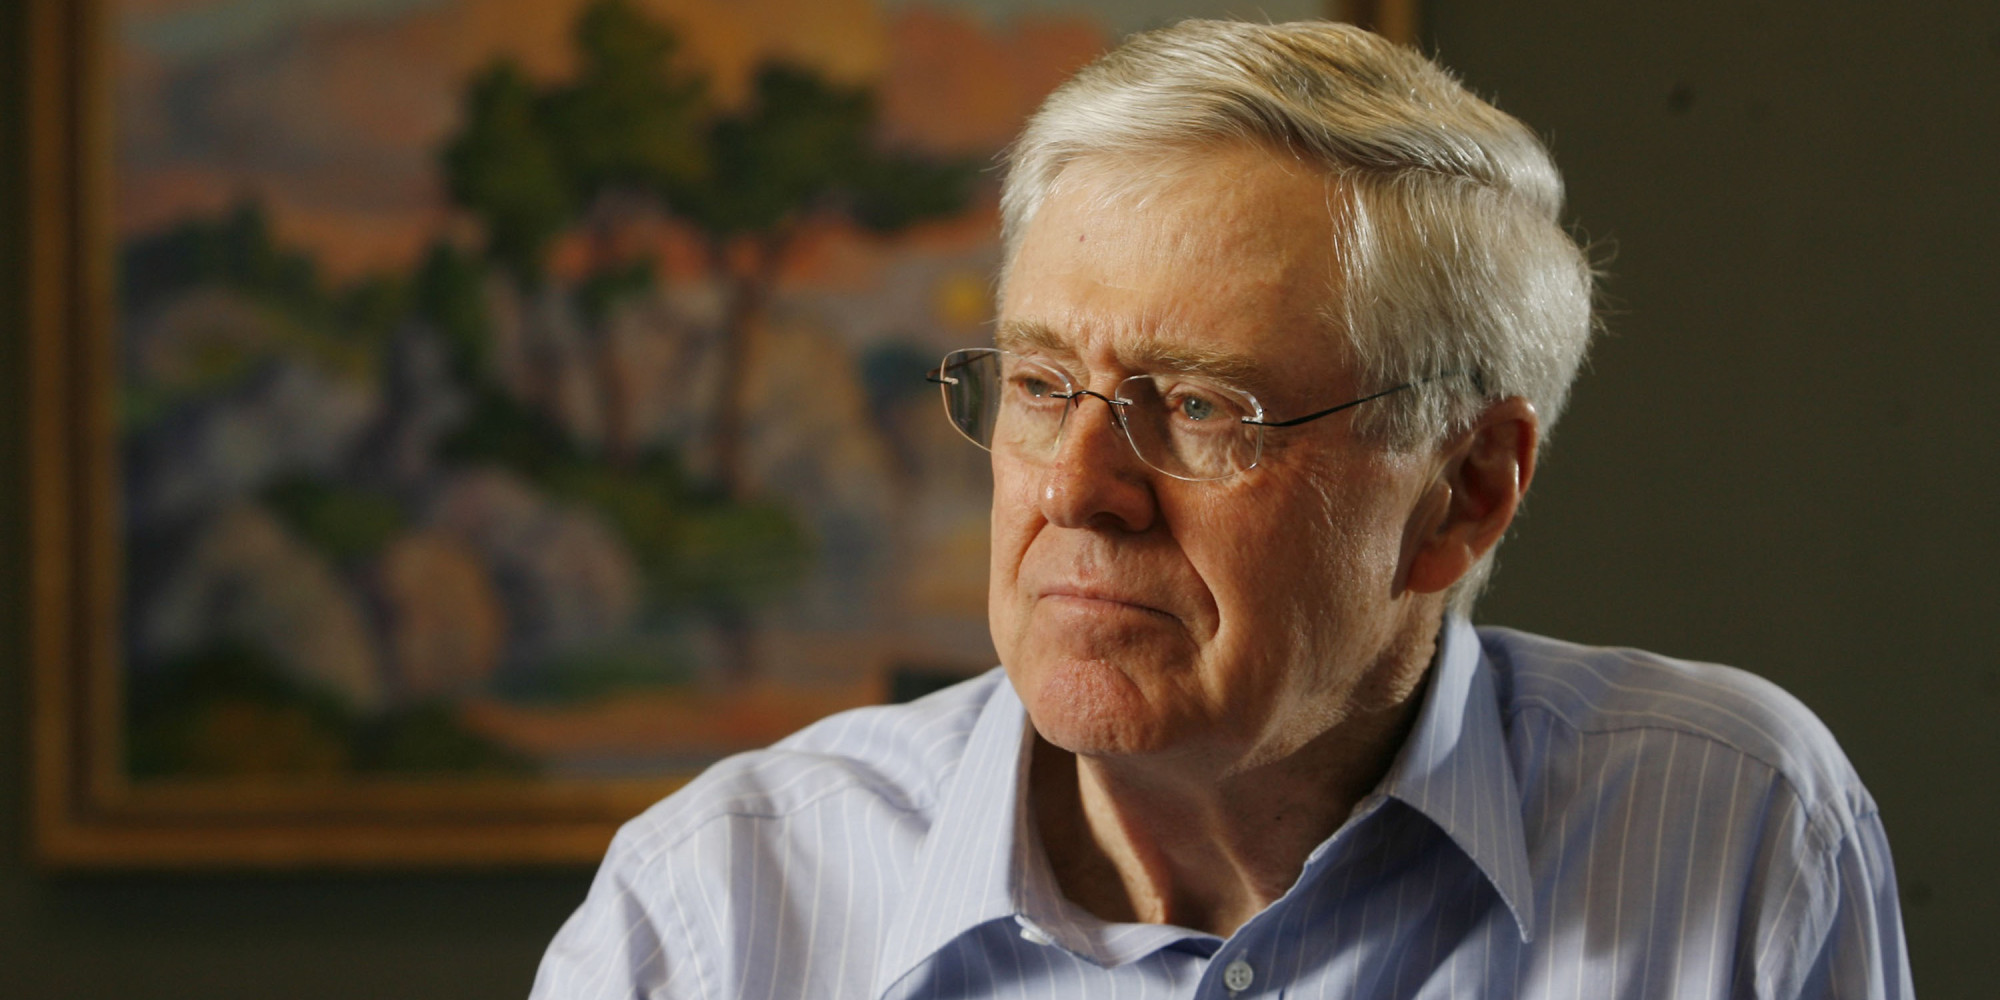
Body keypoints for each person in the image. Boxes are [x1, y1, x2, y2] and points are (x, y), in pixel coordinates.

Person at [531, 20, 1911, 999]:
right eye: (1040, 383)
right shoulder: (716, 911)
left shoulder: (1729, 831)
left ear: (1466, 489)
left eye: (1199, 409)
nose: (1077, 487)